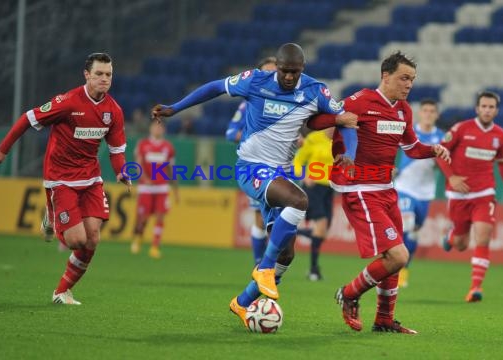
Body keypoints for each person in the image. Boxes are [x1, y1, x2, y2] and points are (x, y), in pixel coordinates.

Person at [151, 43, 358, 327]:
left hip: (282, 173)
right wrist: (175, 108)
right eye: (284, 71)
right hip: (251, 167)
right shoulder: (255, 80)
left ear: (302, 69)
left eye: (294, 72)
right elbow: (214, 87)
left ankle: (242, 302)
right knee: (299, 201)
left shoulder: (315, 90)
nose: (288, 76)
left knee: (288, 252)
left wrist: (348, 153)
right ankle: (264, 268)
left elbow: (346, 119)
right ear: (278, 68)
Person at [308, 51, 450, 334]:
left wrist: (433, 149)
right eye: (404, 78)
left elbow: (411, 148)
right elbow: (315, 121)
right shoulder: (360, 101)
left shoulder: (404, 110)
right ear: (385, 76)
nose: (409, 85)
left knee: (395, 258)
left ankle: (384, 320)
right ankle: (349, 293)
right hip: (360, 189)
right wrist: (339, 120)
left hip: (386, 190)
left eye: (412, 80)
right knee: (398, 256)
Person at [0, 52, 130, 305]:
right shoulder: (68, 102)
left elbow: (116, 150)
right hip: (60, 178)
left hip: (90, 179)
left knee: (93, 239)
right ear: (87, 75)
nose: (104, 79)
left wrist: (121, 171)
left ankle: (62, 291)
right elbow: (28, 119)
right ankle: (51, 216)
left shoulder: (113, 111)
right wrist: (3, 149)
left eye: (108, 74)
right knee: (77, 241)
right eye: (99, 74)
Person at [437, 91, 503, 302]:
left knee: (483, 235)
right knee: (461, 244)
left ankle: (475, 288)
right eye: (484, 106)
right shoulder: (461, 128)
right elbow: (441, 152)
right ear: (477, 108)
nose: (487, 110)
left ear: (496, 111)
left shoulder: (500, 135)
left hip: (484, 192)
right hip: (459, 194)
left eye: (491, 107)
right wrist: (452, 177)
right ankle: (452, 236)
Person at [225, 56, 277, 265]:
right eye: (266, 72)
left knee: (281, 217)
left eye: (274, 72)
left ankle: (270, 263)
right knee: (260, 217)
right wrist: (253, 136)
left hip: (281, 166)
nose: (271, 77)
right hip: (256, 167)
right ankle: (259, 263)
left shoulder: (287, 101)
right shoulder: (249, 104)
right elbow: (230, 133)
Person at [394, 99, 444, 287]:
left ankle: (405, 267)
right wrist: (391, 167)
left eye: (432, 111)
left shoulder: (442, 137)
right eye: (425, 110)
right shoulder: (409, 131)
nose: (429, 114)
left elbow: (447, 163)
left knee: (415, 232)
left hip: (425, 192)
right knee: (406, 225)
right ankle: (399, 272)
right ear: (420, 113)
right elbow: (390, 148)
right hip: (404, 187)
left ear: (437, 115)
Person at [130, 119, 179, 259]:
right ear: (150, 128)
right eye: (155, 127)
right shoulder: (143, 144)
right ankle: (138, 238)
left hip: (162, 187)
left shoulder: (168, 147)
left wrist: (175, 189)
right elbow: (137, 164)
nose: (157, 129)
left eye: (160, 127)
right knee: (143, 218)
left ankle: (155, 246)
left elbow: (170, 169)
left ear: (163, 130)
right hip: (146, 187)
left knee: (160, 216)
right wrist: (145, 178)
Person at [293, 127, 335, 281]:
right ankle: (313, 270)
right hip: (313, 187)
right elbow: (298, 160)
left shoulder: (341, 140)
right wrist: (303, 176)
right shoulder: (313, 139)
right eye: (331, 125)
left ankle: (293, 231)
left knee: (323, 231)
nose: (334, 129)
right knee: (322, 224)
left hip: (330, 189)